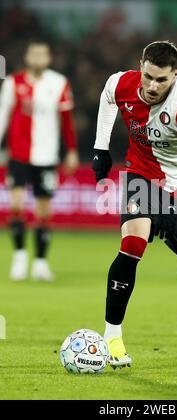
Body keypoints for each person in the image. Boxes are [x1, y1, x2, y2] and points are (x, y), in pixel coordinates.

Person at [92, 41, 177, 369]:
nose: (151, 86)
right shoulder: (123, 83)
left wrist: (176, 200)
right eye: (148, 76)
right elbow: (107, 97)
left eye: (161, 80)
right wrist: (100, 148)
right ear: (141, 66)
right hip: (143, 175)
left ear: (176, 75)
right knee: (131, 245)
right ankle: (112, 338)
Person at [0, 40, 79, 281]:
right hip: (19, 154)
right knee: (15, 204)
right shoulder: (14, 82)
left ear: (49, 58)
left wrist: (72, 150)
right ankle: (20, 257)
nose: (37, 57)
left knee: (44, 208)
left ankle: (41, 263)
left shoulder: (59, 83)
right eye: (33, 53)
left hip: (46, 155)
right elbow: (3, 114)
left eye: (42, 54)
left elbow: (66, 120)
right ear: (27, 57)